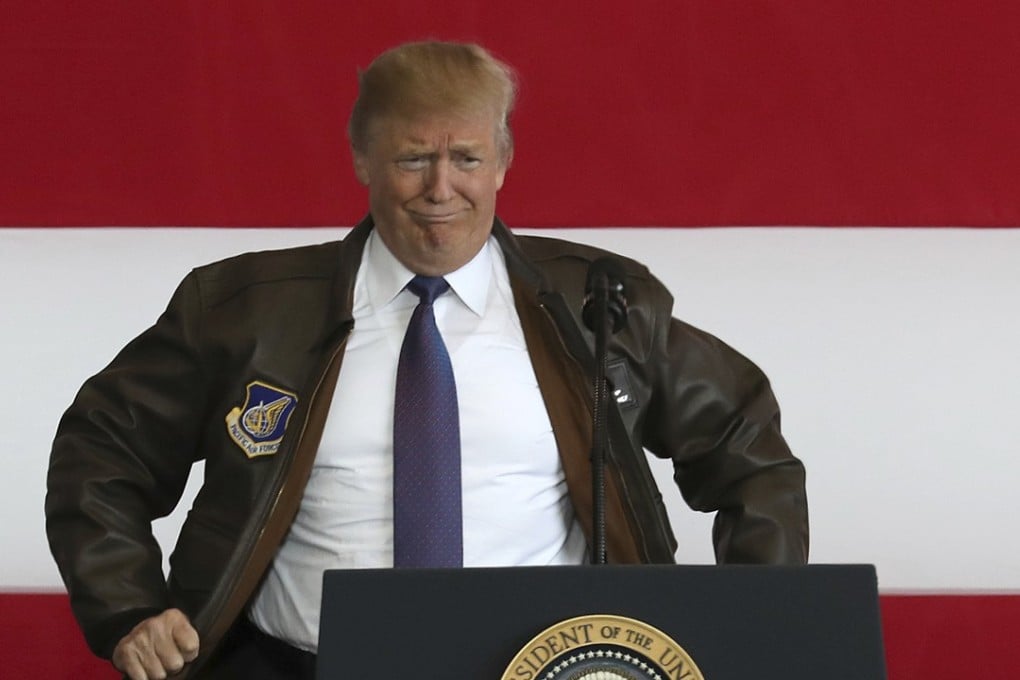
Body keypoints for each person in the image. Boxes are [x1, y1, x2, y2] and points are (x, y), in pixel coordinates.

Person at [45, 40, 808, 680]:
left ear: (502, 162)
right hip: (297, 664)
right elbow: (103, 445)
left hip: (548, 669)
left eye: (466, 157)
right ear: (362, 160)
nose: (442, 188)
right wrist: (129, 608)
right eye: (413, 158)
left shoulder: (601, 307)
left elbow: (743, 439)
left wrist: (751, 620)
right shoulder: (245, 311)